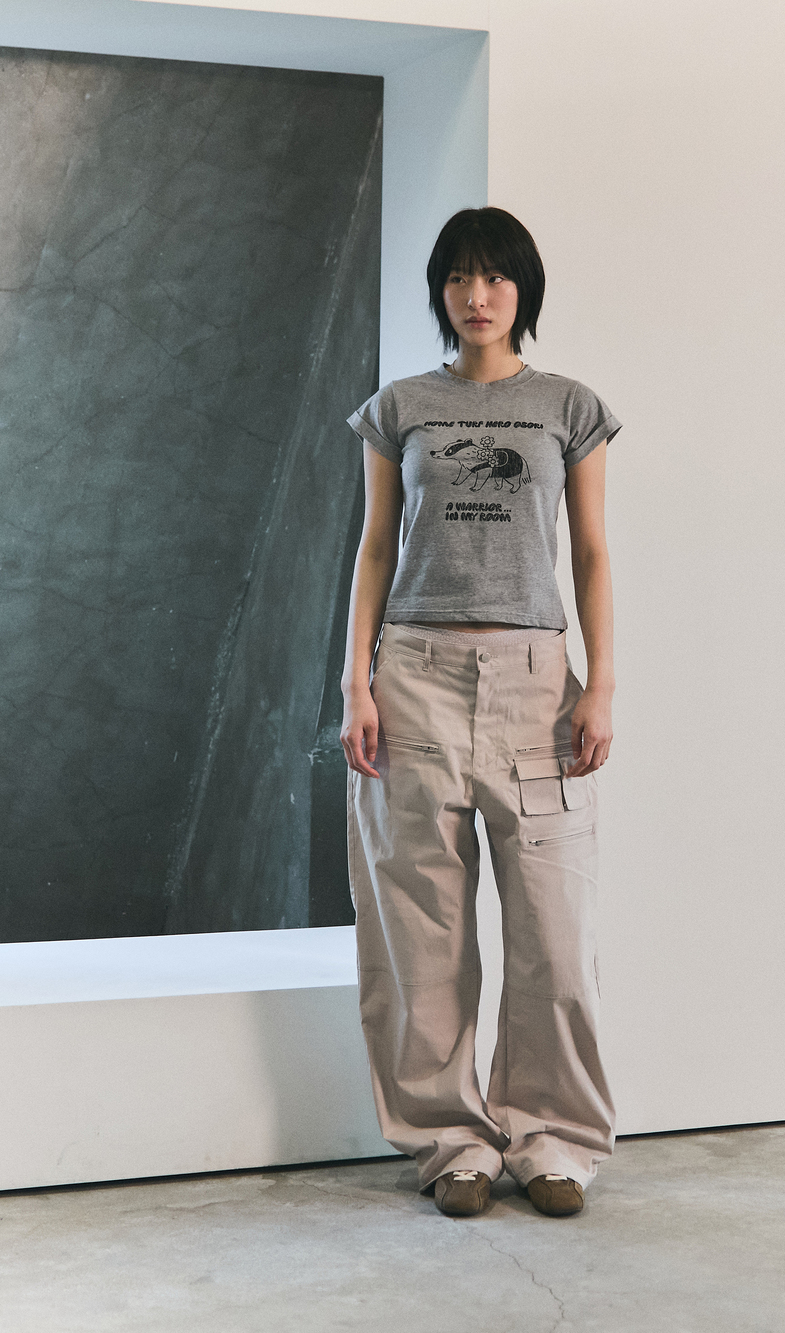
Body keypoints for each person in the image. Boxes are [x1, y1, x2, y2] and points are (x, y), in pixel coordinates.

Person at [340, 206, 620, 1219]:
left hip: (535, 682)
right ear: (441, 292)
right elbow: (376, 546)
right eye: (459, 277)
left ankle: (554, 1140)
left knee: (553, 932)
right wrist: (356, 680)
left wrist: (601, 681)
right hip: (414, 672)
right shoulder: (400, 407)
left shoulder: (569, 406)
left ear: (523, 289)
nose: (477, 295)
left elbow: (590, 550)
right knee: (420, 935)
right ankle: (448, 1142)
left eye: (496, 277)